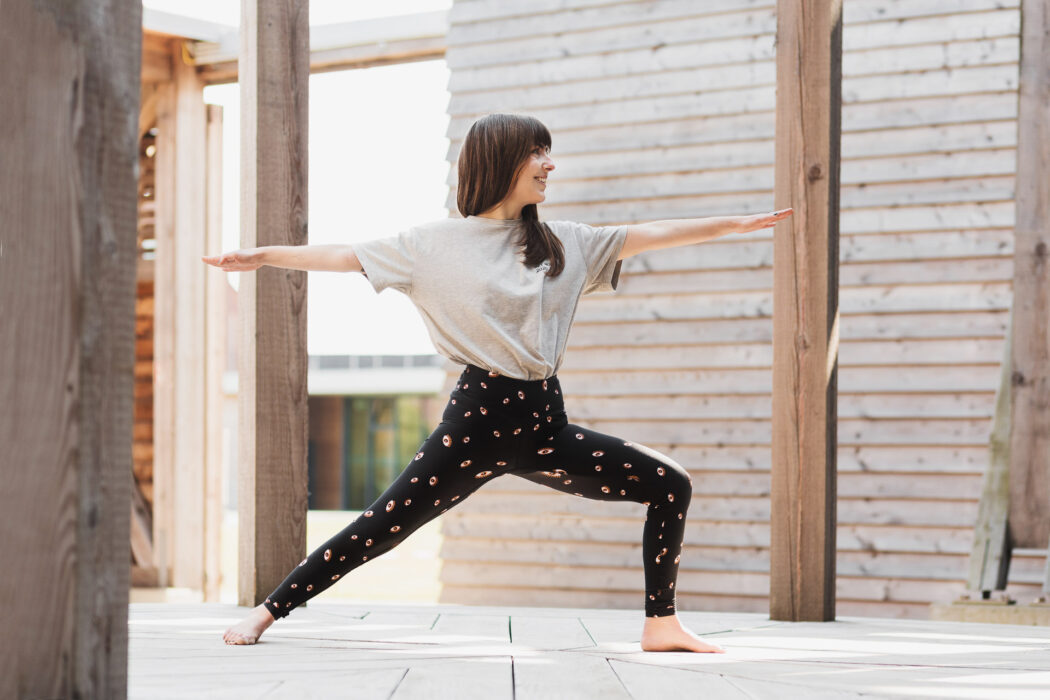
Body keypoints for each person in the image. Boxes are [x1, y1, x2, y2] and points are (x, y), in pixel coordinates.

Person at [204, 113, 791, 652]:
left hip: (545, 424)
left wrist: (735, 224)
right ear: (501, 160)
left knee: (669, 483)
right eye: (538, 152)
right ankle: (268, 611)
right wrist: (265, 256)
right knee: (382, 526)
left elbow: (652, 232)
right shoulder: (430, 245)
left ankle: (661, 624)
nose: (550, 164)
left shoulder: (565, 241)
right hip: (478, 422)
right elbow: (342, 255)